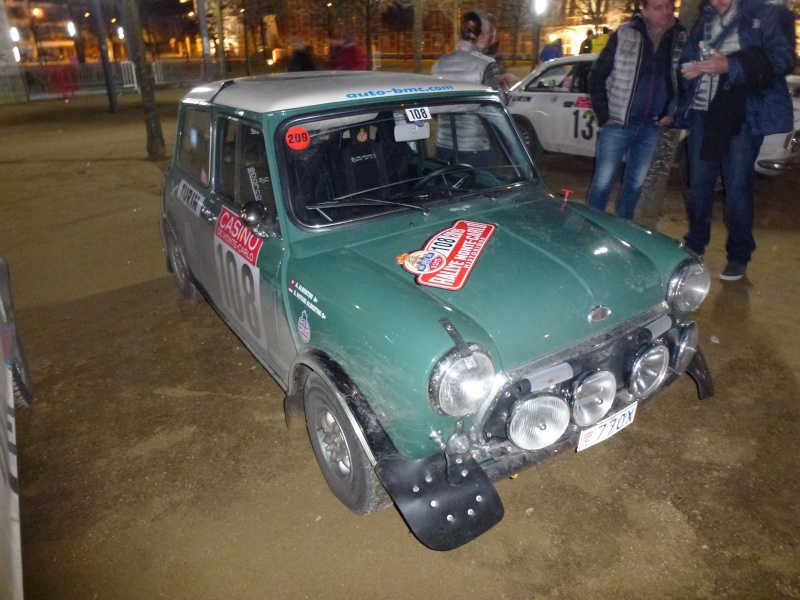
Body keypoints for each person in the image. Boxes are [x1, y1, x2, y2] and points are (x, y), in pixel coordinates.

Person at [675, 0, 795, 281]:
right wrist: (689, 70)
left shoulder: (763, 13)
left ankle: (739, 255)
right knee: (697, 187)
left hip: (742, 114)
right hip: (703, 113)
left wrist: (729, 65)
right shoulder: (704, 18)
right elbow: (689, 57)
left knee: (738, 189)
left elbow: (783, 59)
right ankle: (695, 244)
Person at [585, 0, 686, 220]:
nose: (666, 12)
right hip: (618, 124)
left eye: (669, 6)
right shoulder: (625, 33)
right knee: (602, 183)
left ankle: (624, 231)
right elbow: (597, 75)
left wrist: (672, 113)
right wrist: (604, 114)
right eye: (658, 7)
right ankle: (591, 229)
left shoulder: (680, 38)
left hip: (652, 125)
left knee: (635, 185)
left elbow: (683, 81)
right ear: (644, 10)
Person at [431, 11, 505, 167]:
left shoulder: (439, 63)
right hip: (475, 147)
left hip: (443, 145)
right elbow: (497, 108)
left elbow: (434, 108)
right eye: (491, 35)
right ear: (483, 36)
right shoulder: (487, 65)